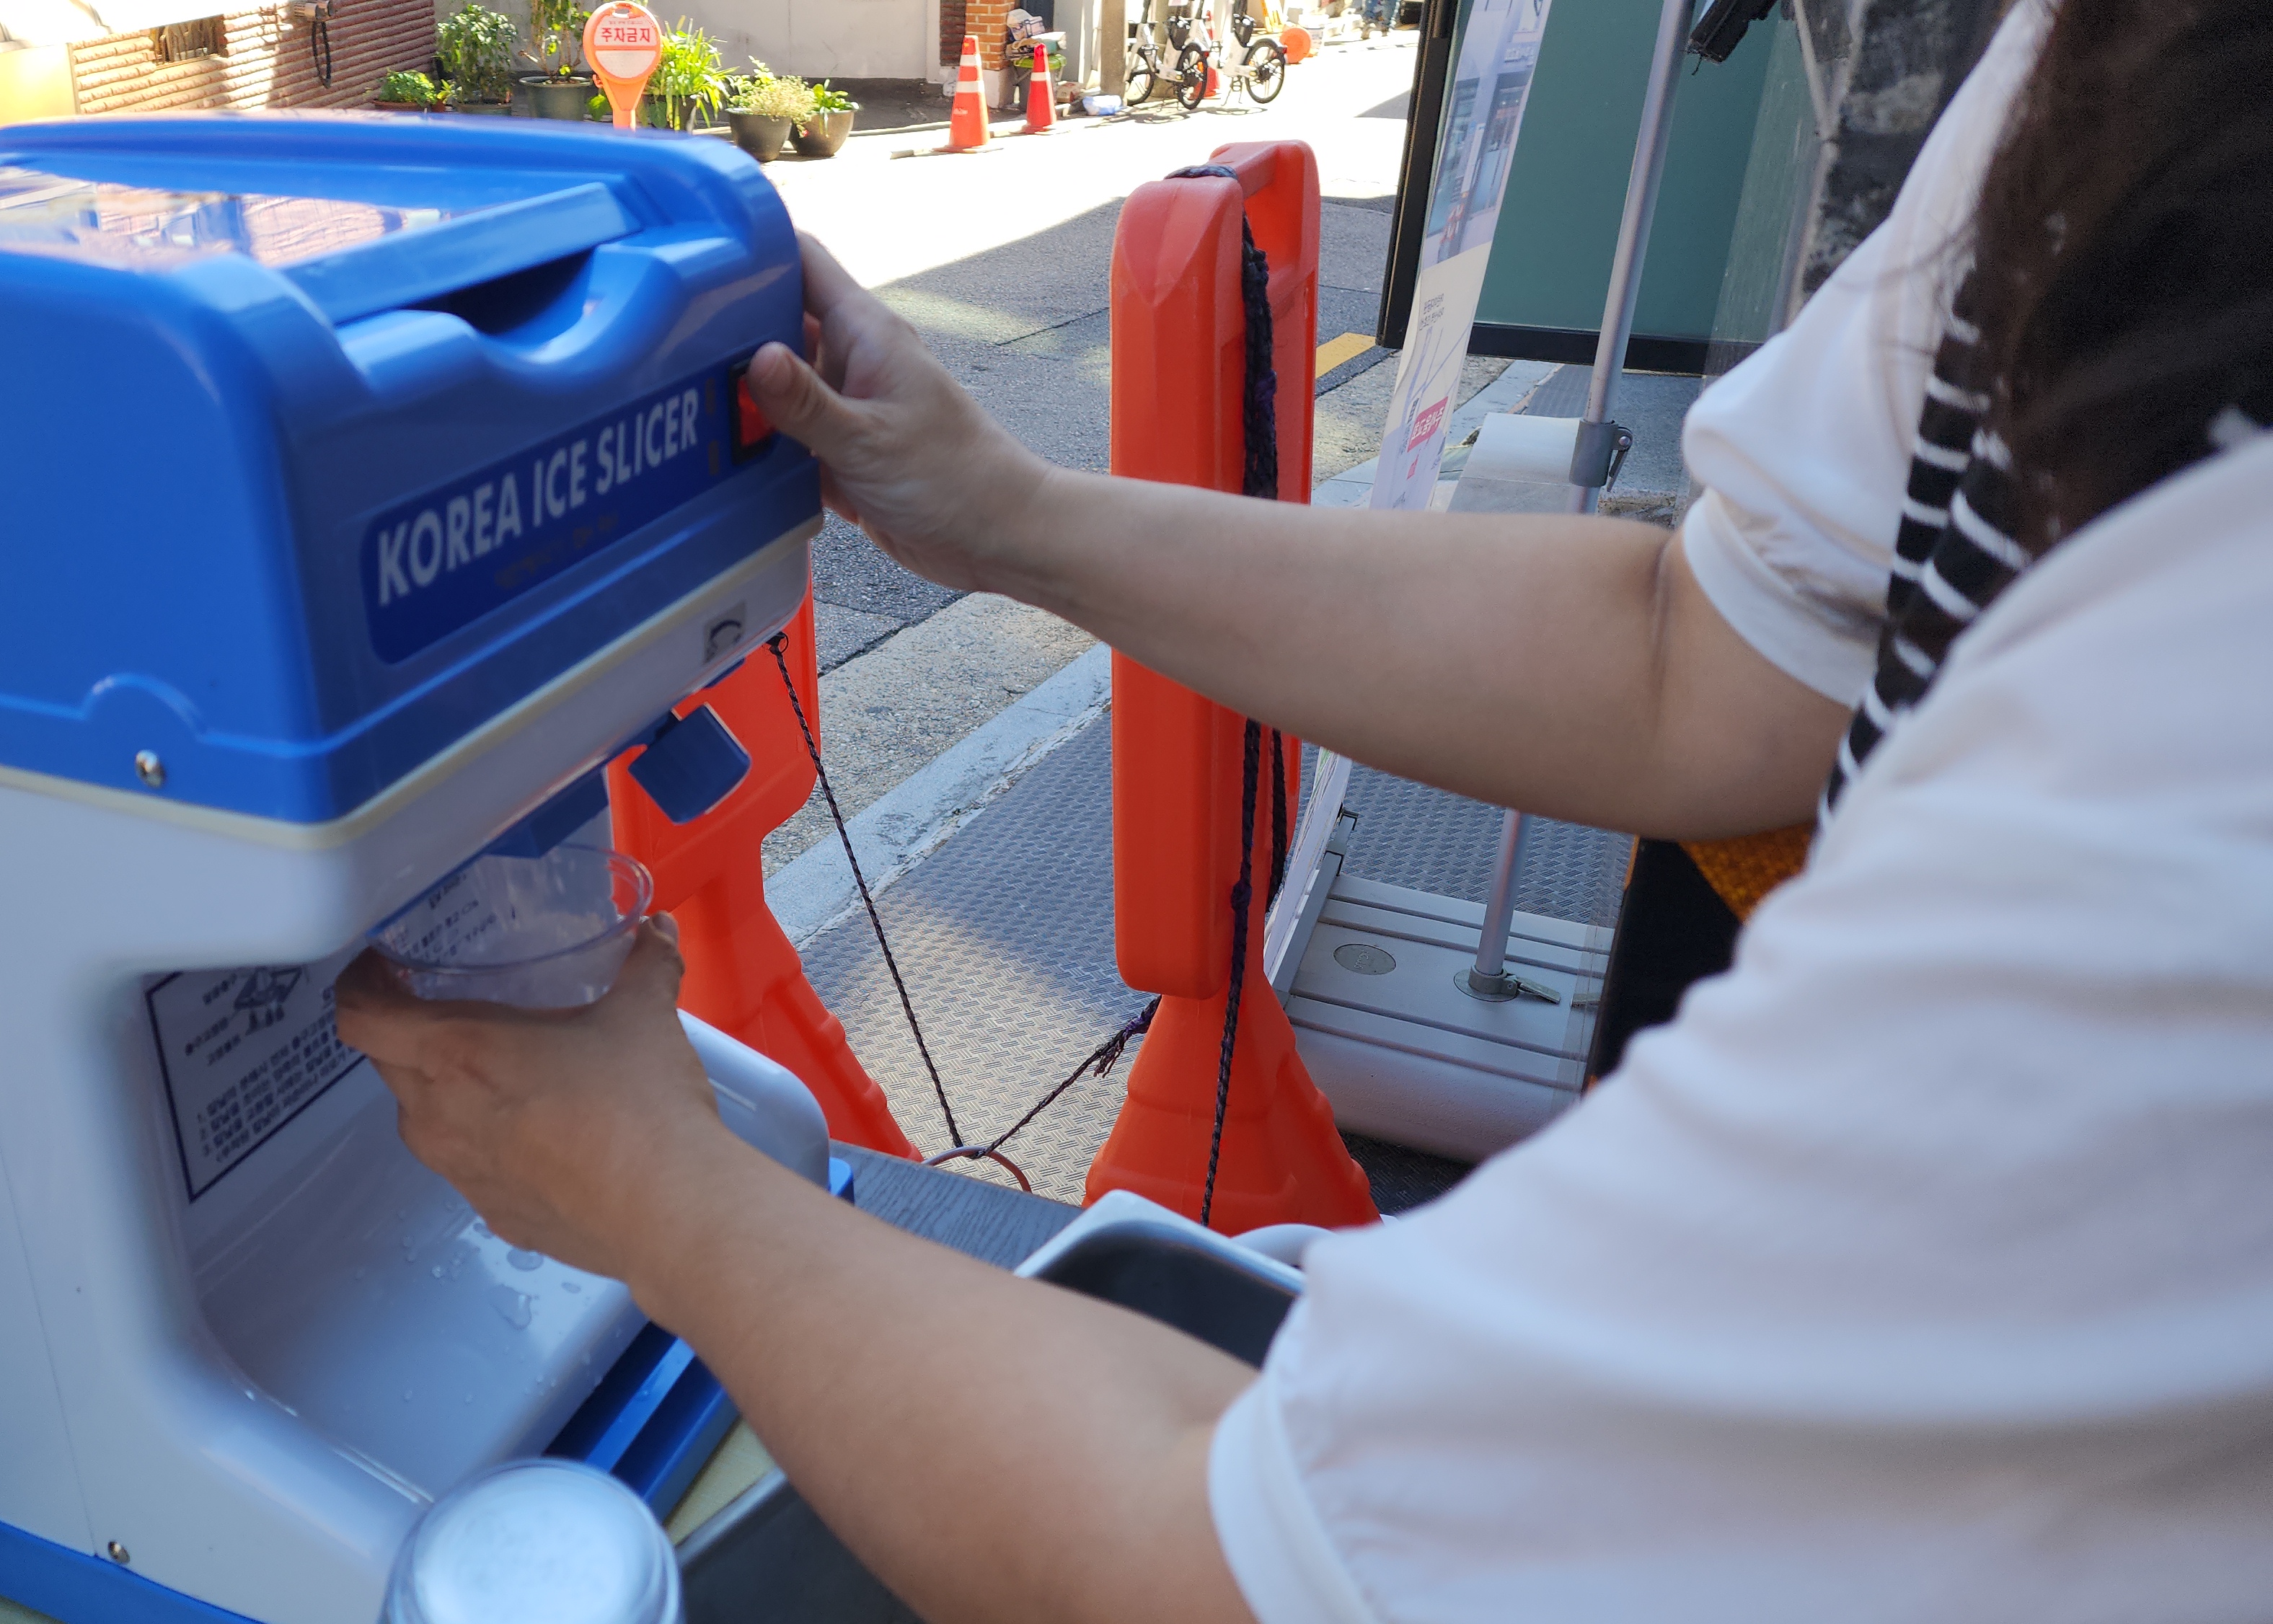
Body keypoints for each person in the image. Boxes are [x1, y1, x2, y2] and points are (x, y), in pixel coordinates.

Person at [338, 1, 2273, 1618]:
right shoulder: (2096, 79)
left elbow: (1230, 1552)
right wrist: (1007, 514)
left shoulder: (2198, 775)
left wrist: (649, 1187)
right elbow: (1705, 653)